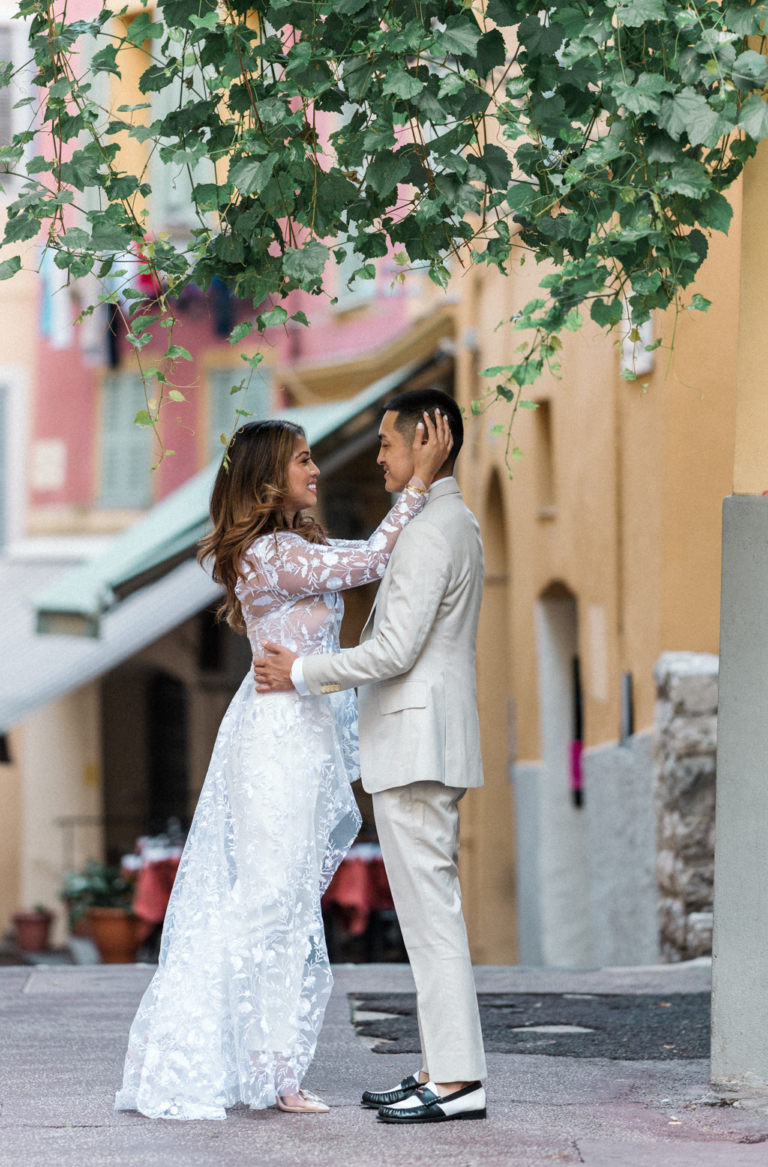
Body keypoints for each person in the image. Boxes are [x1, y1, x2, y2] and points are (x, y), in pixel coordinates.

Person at [114, 409, 453, 1121]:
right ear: (269, 477)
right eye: (302, 460)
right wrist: (416, 488)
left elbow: (356, 556)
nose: (315, 470)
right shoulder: (269, 554)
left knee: (289, 905)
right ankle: (183, 1055)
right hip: (275, 739)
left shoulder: (289, 548)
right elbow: (368, 561)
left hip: (299, 732)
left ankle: (275, 1074)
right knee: (266, 901)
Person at [253, 388, 487, 1125]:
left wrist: (300, 672)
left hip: (416, 749)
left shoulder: (428, 531)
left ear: (425, 441)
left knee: (431, 922)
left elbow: (392, 650)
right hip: (424, 745)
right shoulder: (454, 520)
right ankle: (438, 1067)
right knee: (427, 919)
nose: (379, 456)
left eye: (388, 443)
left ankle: (455, 1082)